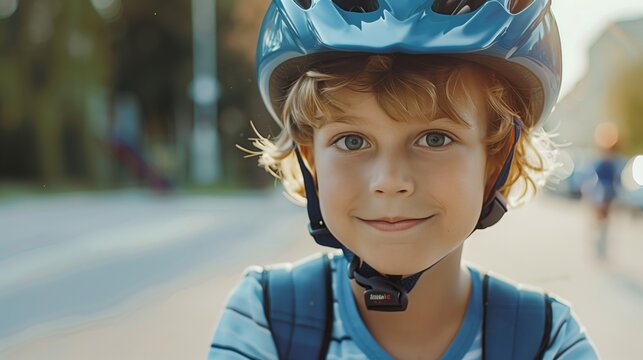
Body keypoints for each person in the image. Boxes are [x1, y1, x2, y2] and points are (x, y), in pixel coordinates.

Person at [210, 0, 598, 358]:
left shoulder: (547, 342)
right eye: (352, 140)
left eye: (435, 139)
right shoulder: (266, 319)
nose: (390, 181)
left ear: (495, 162)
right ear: (311, 160)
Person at [585, 122, 623, 260]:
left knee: (602, 221)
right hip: (601, 193)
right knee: (601, 221)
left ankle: (601, 243)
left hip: (605, 193)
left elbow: (616, 179)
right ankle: (599, 243)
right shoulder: (604, 161)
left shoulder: (610, 161)